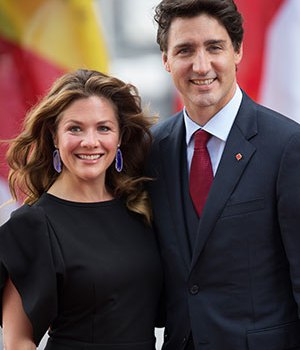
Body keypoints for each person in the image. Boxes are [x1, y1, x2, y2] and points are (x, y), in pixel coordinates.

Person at [147, 0, 300, 349]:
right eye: (185, 50)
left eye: (214, 47)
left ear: (238, 51)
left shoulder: (288, 146)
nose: (201, 65)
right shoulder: (152, 150)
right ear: (166, 60)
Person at [0, 69, 163, 350]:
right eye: (75, 128)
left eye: (104, 128)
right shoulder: (32, 226)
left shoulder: (140, 206)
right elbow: (19, 342)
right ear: (54, 135)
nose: (90, 142)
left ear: (120, 136)